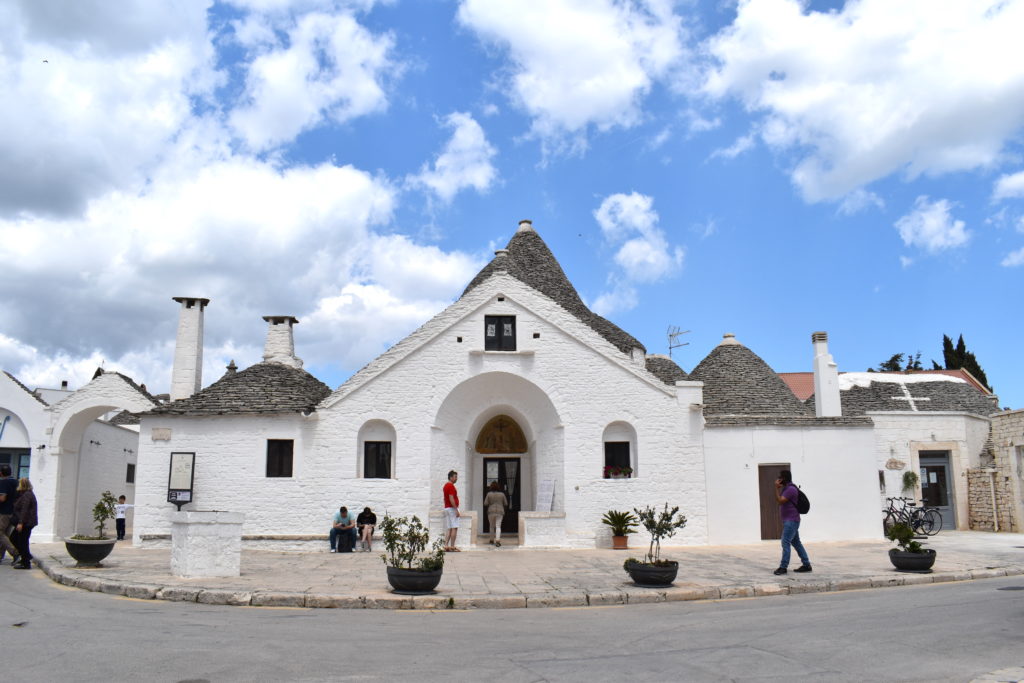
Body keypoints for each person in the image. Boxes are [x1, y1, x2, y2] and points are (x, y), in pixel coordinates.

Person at [773, 469, 811, 575]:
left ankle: (783, 567)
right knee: (796, 543)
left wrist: (776, 489)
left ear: (784, 478)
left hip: (791, 521)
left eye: (780, 478)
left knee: (785, 542)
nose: (778, 479)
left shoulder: (790, 489)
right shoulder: (787, 488)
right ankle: (806, 564)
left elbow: (780, 501)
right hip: (790, 521)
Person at [11, 478, 36, 570]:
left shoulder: (27, 495)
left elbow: (24, 510)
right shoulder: (25, 494)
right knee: (15, 539)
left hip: (26, 522)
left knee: (22, 541)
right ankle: (26, 557)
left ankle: (26, 561)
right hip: (25, 522)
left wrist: (21, 523)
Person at [0, 464, 19, 565]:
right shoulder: (16, 482)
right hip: (13, 512)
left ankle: (15, 553)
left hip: (4, 512)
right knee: (5, 534)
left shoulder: (4, 482)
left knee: (0, 533)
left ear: (1, 473)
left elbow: (2, 498)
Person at [483, 481, 508, 548]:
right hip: (500, 511)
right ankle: (497, 541)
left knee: (491, 526)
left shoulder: (489, 494)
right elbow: (505, 503)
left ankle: (491, 540)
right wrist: (503, 509)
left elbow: (485, 503)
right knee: (498, 526)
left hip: (491, 511)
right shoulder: (502, 494)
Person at [443, 470, 460, 552]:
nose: (456, 478)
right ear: (451, 477)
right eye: (455, 477)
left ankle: (446, 545)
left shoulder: (445, 486)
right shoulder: (451, 486)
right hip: (452, 508)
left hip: (447, 508)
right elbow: (451, 498)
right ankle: (452, 546)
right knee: (454, 528)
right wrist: (456, 509)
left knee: (449, 528)